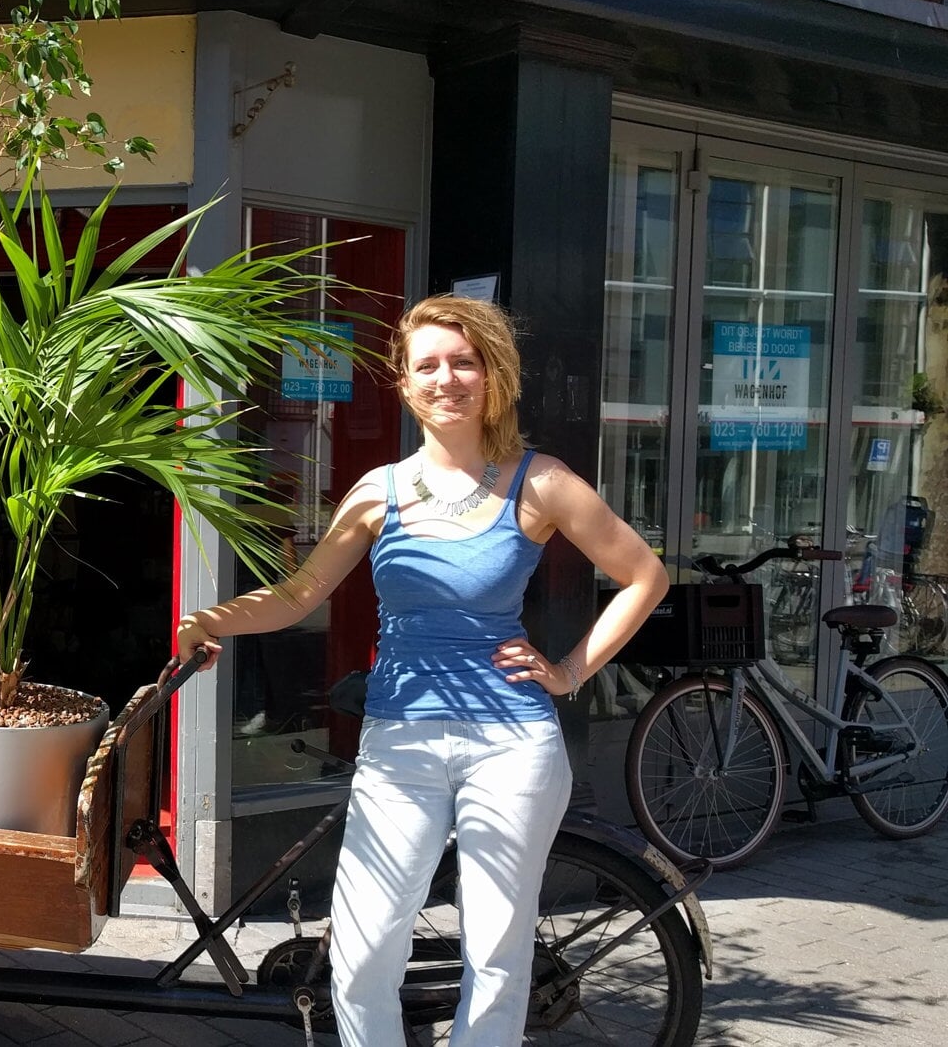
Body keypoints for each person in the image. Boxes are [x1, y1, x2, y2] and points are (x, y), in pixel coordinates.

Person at [175, 296, 668, 1045]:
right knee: (366, 946)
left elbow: (643, 576)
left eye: (464, 362)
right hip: (400, 741)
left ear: (492, 376)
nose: (448, 378)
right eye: (429, 365)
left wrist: (568, 672)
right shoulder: (379, 490)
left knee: (497, 950)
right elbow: (299, 594)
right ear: (405, 383)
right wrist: (211, 621)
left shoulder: (539, 483)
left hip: (512, 746)